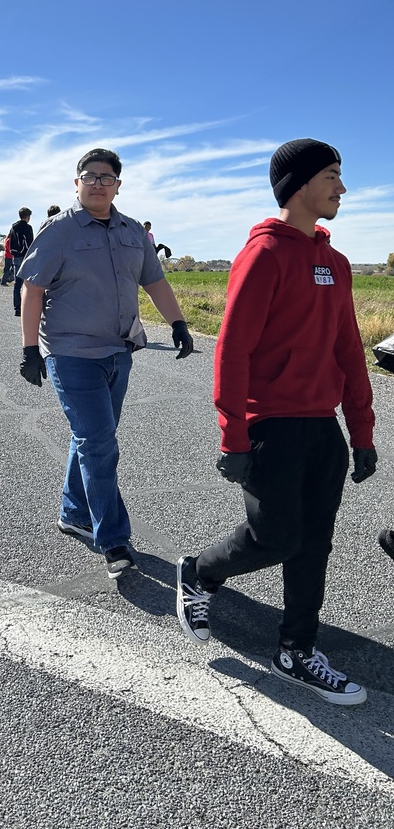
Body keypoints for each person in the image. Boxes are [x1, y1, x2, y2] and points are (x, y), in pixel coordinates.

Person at [176, 138, 377, 706]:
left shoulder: (336, 264)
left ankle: (296, 650)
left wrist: (360, 433)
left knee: (314, 544)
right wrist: (233, 435)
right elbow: (232, 350)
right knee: (276, 537)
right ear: (300, 184)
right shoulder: (263, 254)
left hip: (322, 429)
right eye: (332, 176)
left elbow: (348, 351)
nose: (342, 187)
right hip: (271, 426)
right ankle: (200, 573)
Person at [17, 149, 194, 579]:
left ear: (118, 184)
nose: (98, 183)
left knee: (93, 438)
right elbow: (32, 289)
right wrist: (28, 350)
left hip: (119, 351)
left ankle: (73, 511)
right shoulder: (58, 232)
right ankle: (113, 539)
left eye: (106, 177)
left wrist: (179, 324)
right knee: (99, 443)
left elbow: (154, 280)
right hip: (71, 353)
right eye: (89, 176)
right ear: (76, 183)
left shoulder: (133, 231)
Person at [10, 207, 34, 317]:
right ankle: (26, 307)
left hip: (16, 256)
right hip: (25, 257)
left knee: (17, 284)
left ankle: (17, 308)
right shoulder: (28, 228)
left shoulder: (13, 228)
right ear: (27, 216)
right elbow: (30, 243)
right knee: (27, 284)